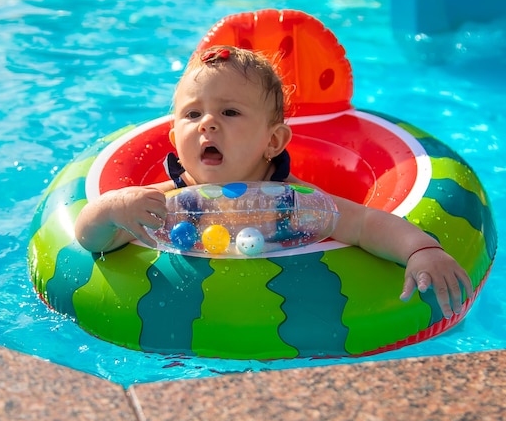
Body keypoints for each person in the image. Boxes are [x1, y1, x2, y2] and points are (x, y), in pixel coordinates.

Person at [75, 45, 472, 318]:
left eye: (229, 112)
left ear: (273, 141)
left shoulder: (297, 204)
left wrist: (421, 250)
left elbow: (366, 223)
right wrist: (112, 208)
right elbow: (92, 241)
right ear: (176, 141)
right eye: (193, 115)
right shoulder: (163, 203)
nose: (208, 123)